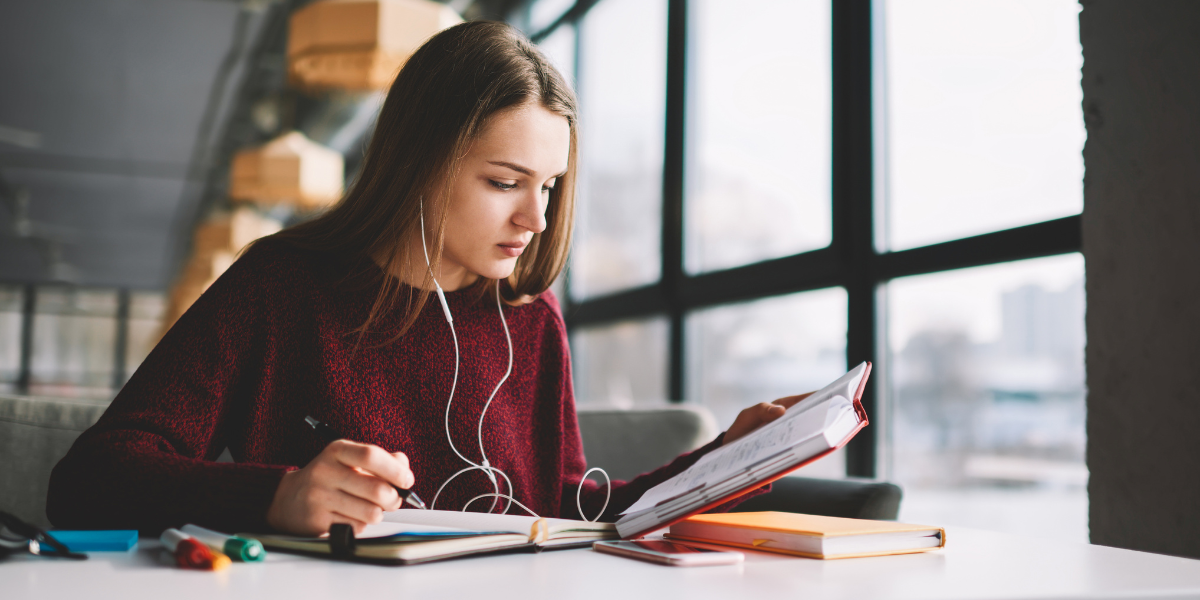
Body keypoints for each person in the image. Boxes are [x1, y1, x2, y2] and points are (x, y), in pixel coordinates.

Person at [46, 21, 804, 537]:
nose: (535, 221)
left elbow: (567, 508)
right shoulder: (281, 287)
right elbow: (89, 481)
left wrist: (725, 460)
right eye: (505, 182)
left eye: (548, 187)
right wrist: (277, 497)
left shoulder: (531, 323)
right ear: (421, 162)